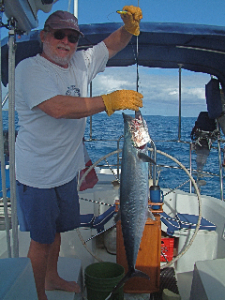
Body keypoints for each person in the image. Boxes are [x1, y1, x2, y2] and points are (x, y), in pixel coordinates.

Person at [15, 6, 143, 300]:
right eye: (59, 34)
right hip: (37, 174)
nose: (65, 42)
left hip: (66, 170)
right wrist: (109, 101)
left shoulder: (80, 62)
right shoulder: (30, 69)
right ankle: (38, 295)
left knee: (57, 231)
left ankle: (52, 277)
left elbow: (111, 46)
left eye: (72, 37)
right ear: (44, 36)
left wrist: (128, 29)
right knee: (41, 240)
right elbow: (57, 108)